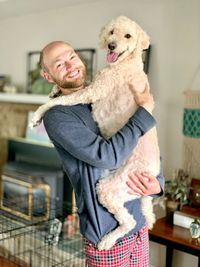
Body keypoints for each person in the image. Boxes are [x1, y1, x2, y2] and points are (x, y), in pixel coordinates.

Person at [40, 41, 164, 267]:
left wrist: (158, 185)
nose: (71, 65)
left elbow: (145, 142)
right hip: (107, 229)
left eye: (72, 56)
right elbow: (108, 156)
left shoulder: (108, 92)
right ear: (48, 76)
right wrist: (144, 110)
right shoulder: (58, 117)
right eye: (60, 64)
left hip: (138, 222)